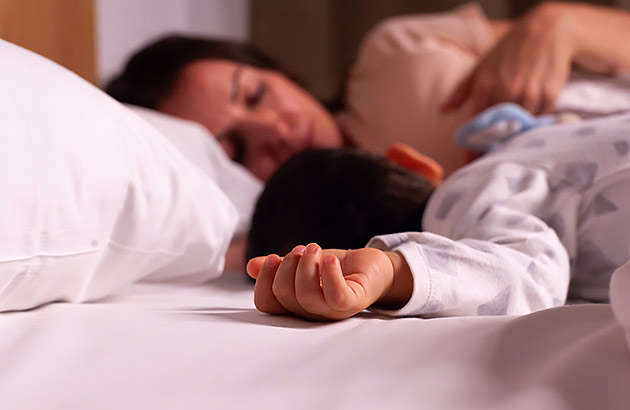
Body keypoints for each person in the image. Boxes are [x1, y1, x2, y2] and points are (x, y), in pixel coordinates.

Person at [107, 2, 630, 180]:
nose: (274, 132)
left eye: (255, 94)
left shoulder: (395, 54)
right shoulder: (333, 233)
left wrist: (561, 23)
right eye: (235, 150)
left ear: (278, 70)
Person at [245, 111, 630, 321]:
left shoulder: (464, 204)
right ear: (411, 161)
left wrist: (395, 270)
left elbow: (529, 276)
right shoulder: (515, 147)